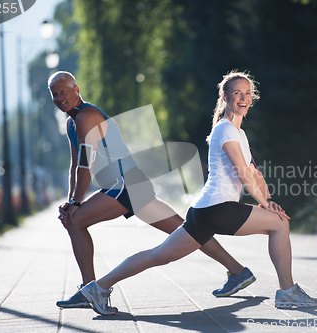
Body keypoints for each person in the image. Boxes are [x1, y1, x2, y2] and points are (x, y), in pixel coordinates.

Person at [79, 71, 317, 315]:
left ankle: (97, 287)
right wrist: (266, 205)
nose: (243, 98)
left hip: (203, 211)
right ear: (225, 97)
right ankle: (287, 291)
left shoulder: (238, 133)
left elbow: (255, 173)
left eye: (248, 93)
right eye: (237, 93)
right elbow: (242, 173)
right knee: (279, 225)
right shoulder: (225, 130)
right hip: (217, 208)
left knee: (158, 255)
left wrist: (267, 200)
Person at [48, 71, 256, 309]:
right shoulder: (72, 123)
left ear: (76, 90)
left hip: (124, 185)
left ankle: (90, 290)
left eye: (63, 91)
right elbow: (75, 165)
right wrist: (70, 200)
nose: (59, 97)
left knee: (75, 222)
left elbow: (85, 168)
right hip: (131, 184)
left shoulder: (86, 116)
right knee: (187, 231)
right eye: (54, 94)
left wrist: (75, 205)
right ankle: (238, 271)